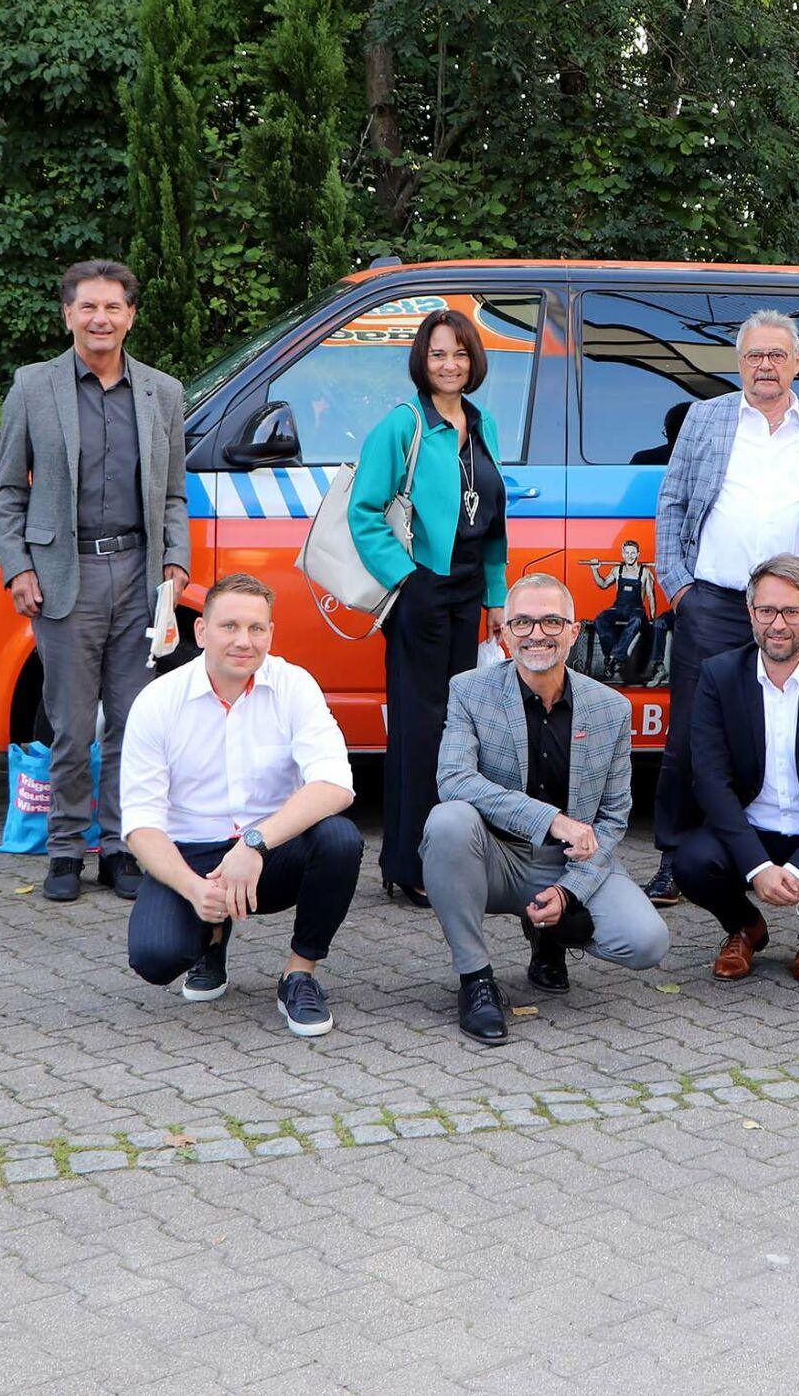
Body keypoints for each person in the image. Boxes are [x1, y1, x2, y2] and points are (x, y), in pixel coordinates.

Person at [0, 260, 191, 905]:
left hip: (138, 574)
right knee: (72, 724)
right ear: (68, 314)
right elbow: (5, 495)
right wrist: (19, 567)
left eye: (113, 307)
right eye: (88, 308)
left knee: (133, 722)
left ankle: (123, 848)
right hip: (62, 576)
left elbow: (174, 495)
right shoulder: (33, 387)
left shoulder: (163, 393)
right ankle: (66, 848)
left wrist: (176, 564)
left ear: (131, 315)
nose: (100, 319)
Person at [647, 311, 799, 905]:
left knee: (787, 726)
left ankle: (780, 844)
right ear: (739, 363)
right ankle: (674, 856)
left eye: (776, 355)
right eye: (753, 356)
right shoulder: (704, 417)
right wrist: (679, 588)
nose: (764, 366)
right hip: (712, 600)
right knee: (690, 734)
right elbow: (672, 501)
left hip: (791, 607)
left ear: (797, 362)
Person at [425, 575, 671, 1045]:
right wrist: (551, 820)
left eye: (551, 621)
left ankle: (551, 937)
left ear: (575, 631)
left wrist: (570, 892)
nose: (537, 633)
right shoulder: (469, 690)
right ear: (505, 634)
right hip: (495, 856)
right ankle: (475, 979)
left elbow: (615, 816)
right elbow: (453, 779)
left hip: (567, 862)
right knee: (448, 821)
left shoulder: (611, 709)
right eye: (523, 622)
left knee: (647, 942)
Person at [119, 574, 363, 1037]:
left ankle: (299, 975)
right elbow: (141, 824)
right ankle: (210, 936)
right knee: (155, 957)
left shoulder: (294, 685)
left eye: (257, 629)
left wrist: (254, 843)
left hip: (268, 852)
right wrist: (194, 889)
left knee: (339, 839)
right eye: (229, 626)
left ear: (271, 633)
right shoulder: (158, 701)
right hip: (193, 855)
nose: (243, 641)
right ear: (201, 632)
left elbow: (336, 783)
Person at [349, 308, 510, 908]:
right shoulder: (402, 424)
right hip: (419, 590)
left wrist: (495, 597)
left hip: (468, 590)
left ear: (475, 361)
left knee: (458, 728)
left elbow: (492, 516)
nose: (450, 365)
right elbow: (363, 512)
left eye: (461, 354)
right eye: (439, 353)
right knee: (420, 729)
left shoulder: (481, 422)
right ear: (422, 359)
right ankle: (406, 863)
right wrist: (407, 580)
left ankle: (447, 856)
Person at [674, 556, 799, 984]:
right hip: (750, 829)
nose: (778, 625)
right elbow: (710, 781)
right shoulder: (719, 676)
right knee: (691, 863)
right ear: (750, 613)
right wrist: (756, 867)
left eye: (791, 611)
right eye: (766, 611)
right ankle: (746, 927)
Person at [586, 540, 658, 682]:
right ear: (622, 554)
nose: (630, 556)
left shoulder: (645, 573)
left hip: (636, 610)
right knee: (600, 619)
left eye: (633, 553)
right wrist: (594, 570)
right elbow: (603, 584)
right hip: (618, 608)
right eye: (627, 553)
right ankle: (614, 656)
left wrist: (652, 619)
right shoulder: (617, 570)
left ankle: (613, 658)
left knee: (637, 620)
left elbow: (651, 597)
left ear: (638, 554)